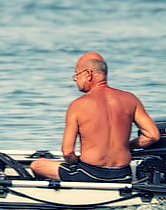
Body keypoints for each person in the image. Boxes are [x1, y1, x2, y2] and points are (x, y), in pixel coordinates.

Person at [28, 52, 159, 184]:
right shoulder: (131, 99)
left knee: (38, 165)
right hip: (122, 174)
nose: (75, 79)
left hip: (89, 174)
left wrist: (74, 163)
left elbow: (67, 152)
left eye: (77, 74)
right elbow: (152, 136)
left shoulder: (78, 105)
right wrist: (127, 146)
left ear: (88, 74)